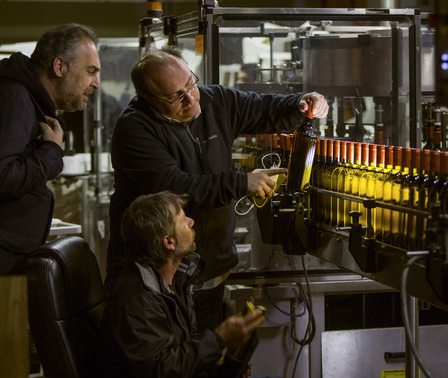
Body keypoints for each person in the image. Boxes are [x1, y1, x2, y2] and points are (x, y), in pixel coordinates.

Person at [106, 46, 328, 333]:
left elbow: (266, 109)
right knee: (164, 365)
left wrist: (302, 103)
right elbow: (178, 189)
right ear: (148, 98)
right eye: (175, 97)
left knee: (205, 360)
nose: (190, 99)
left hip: (209, 272)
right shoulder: (135, 128)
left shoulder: (215, 100)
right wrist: (242, 182)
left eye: (190, 84)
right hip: (156, 280)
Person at [101, 191, 265, 377]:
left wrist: (221, 368)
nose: (191, 222)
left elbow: (181, 356)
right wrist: (220, 339)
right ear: (169, 242)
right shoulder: (136, 300)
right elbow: (162, 371)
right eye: (183, 219)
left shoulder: (174, 282)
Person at [0, 23, 101, 274]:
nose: (96, 83)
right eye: (90, 71)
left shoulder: (29, 100)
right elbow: (2, 177)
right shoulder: (17, 98)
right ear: (59, 67)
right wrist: (51, 154)